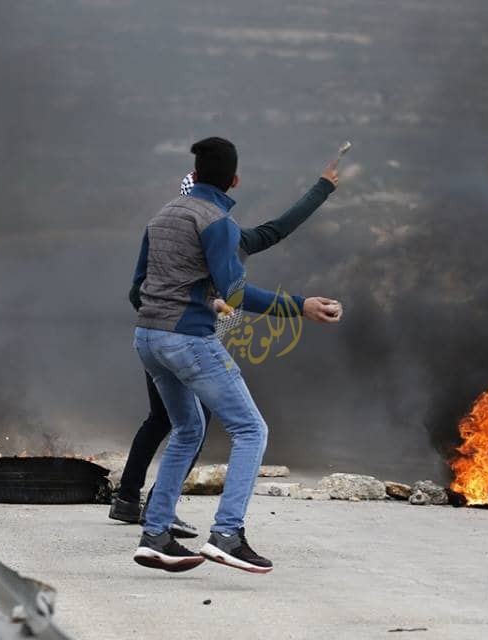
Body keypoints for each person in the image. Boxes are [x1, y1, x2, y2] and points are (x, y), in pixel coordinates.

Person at [130, 137, 341, 573]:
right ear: (235, 181)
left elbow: (138, 289)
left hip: (147, 339)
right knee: (251, 430)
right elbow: (236, 292)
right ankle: (226, 534)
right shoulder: (217, 223)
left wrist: (321, 188)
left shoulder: (161, 217)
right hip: (187, 340)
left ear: (194, 175)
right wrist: (300, 306)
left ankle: (155, 535)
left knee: (187, 429)